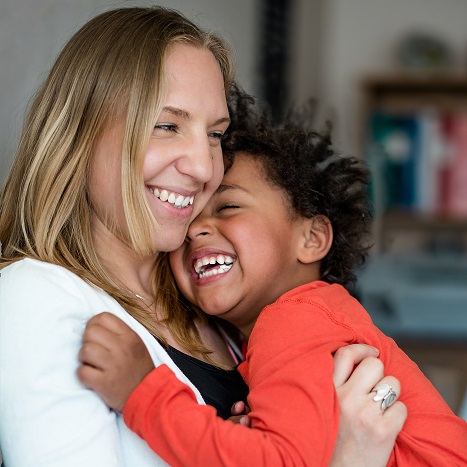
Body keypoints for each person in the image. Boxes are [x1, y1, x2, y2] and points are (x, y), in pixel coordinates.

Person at [0, 5, 404, 467]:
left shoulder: (220, 309)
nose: (203, 168)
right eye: (167, 125)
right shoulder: (34, 296)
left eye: (214, 134)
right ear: (79, 134)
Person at [76, 95, 432, 466]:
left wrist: (141, 391)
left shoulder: (294, 319)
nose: (195, 228)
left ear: (311, 239)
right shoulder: (309, 322)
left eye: (228, 207)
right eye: (191, 215)